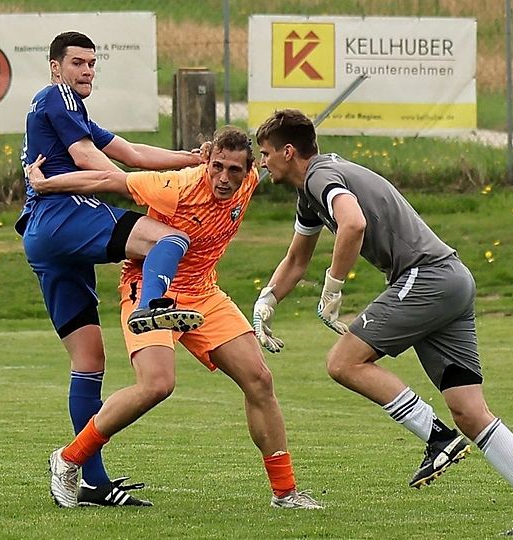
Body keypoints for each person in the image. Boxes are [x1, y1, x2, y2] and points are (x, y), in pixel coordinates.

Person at [251, 109, 513, 535]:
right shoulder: (310, 193)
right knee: (469, 410)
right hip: (452, 279)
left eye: (265, 153)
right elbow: (296, 259)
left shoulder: (320, 175)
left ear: (288, 152)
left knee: (343, 362)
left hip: (426, 277)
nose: (262, 162)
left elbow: (353, 223)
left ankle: (437, 438)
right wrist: (266, 300)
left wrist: (334, 288)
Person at [31, 126, 321, 510]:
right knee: (156, 384)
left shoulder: (252, 179)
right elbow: (107, 180)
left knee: (259, 380)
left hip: (203, 292)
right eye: (217, 167)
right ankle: (69, 459)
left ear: (249, 168)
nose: (224, 178)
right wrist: (45, 184)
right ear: (207, 161)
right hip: (148, 288)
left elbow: (289, 156)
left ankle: (285, 493)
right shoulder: (176, 186)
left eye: (234, 170)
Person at [17, 31, 206, 507]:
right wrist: (142, 188)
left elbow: (133, 153)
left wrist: (192, 162)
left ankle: (92, 482)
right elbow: (92, 162)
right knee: (170, 238)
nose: (86, 71)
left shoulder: (71, 111)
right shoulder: (57, 97)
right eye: (77, 62)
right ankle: (151, 305)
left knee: (88, 361)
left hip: (44, 239)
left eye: (92, 64)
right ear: (55, 66)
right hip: (64, 216)